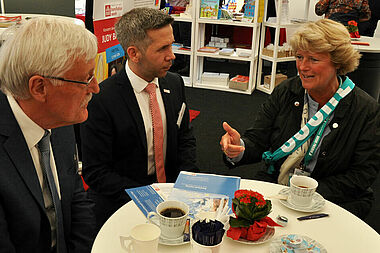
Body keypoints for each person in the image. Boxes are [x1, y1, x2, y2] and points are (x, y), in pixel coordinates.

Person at [220, 19, 380, 219]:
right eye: (299, 57)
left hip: (334, 199)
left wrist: (304, 193)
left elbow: (362, 174)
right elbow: (258, 139)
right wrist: (238, 148)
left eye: (313, 59)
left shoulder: (366, 110)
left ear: (338, 62)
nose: (302, 67)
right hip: (279, 185)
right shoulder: (287, 91)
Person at [80, 7, 198, 230]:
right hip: (123, 203)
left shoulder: (174, 83)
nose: (172, 55)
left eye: (171, 44)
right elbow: (96, 172)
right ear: (134, 53)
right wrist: (149, 198)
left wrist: (186, 184)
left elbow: (185, 138)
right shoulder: (102, 99)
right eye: (163, 48)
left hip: (174, 198)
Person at [0, 17, 99, 252]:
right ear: (40, 88)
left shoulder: (58, 118)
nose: (96, 88)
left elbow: (76, 199)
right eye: (86, 79)